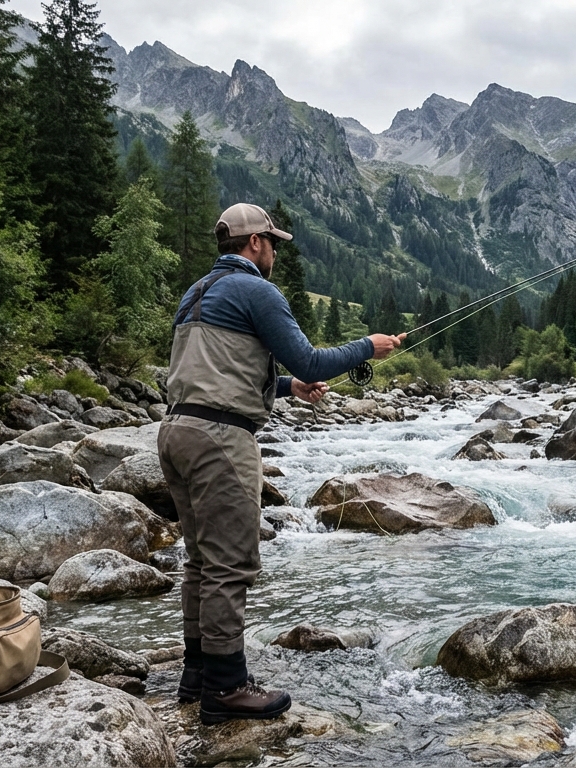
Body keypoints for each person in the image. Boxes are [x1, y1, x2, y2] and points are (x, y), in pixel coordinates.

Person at [158, 202, 403, 725]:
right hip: (221, 439)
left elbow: (218, 366)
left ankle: (196, 677)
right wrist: (368, 347)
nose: (275, 252)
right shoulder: (256, 290)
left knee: (201, 562)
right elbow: (310, 357)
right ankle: (226, 689)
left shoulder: (196, 293)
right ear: (254, 244)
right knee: (229, 564)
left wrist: (289, 388)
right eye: (273, 243)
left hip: (176, 431)